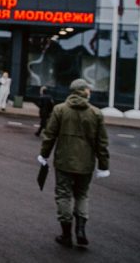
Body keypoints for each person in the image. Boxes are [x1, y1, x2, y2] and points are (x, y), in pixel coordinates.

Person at [38, 79, 110, 249]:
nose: (90, 91)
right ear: (84, 91)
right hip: (86, 163)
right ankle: (80, 230)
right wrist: (103, 165)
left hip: (64, 161)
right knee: (82, 195)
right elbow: (102, 143)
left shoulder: (60, 110)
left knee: (63, 195)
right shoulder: (96, 113)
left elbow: (49, 135)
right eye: (88, 89)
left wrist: (44, 155)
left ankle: (66, 234)